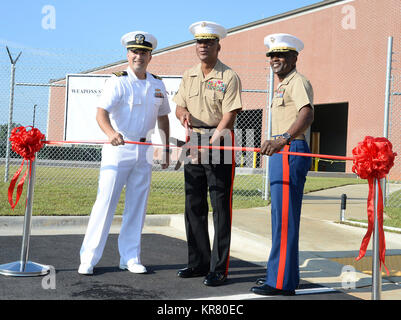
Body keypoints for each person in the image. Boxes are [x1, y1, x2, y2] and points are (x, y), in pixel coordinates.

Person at [78, 31, 170, 275]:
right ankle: (88, 258)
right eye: (134, 51)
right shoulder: (117, 80)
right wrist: (110, 134)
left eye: (143, 52)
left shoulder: (157, 84)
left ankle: (130, 257)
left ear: (151, 56)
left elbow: (163, 118)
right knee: (106, 202)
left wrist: (166, 148)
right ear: (128, 54)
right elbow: (101, 113)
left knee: (137, 206)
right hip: (119, 147)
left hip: (145, 149)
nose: (138, 56)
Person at [173, 21, 242, 286]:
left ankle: (219, 268)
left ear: (218, 46)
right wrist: (183, 115)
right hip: (194, 137)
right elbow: (179, 106)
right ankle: (198, 263)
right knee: (193, 203)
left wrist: (210, 145)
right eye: (199, 42)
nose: (203, 46)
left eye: (208, 42)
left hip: (219, 139)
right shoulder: (188, 75)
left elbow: (230, 115)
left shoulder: (229, 76)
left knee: (220, 206)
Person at [251, 33, 314, 296]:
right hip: (282, 152)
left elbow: (307, 113)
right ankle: (287, 278)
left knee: (284, 220)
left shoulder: (297, 81)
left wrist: (282, 139)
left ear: (294, 58)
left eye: (281, 55)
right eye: (272, 55)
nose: (275, 59)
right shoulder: (282, 84)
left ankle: (279, 282)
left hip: (290, 151)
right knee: (281, 218)